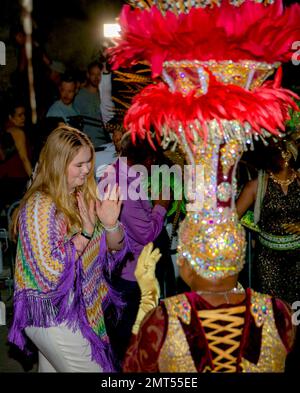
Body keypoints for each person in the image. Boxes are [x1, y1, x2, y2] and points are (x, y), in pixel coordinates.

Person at [108, 0, 300, 372]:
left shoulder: (167, 319)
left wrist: (149, 295)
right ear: (236, 260)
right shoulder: (273, 314)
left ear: (188, 269)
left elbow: (134, 368)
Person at [8, 126, 129, 372]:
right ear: (58, 164)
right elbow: (50, 271)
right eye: (80, 164)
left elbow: (116, 248)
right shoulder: (40, 205)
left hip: (75, 311)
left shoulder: (82, 195)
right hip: (51, 313)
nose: (87, 170)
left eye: (89, 162)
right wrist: (84, 233)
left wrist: (110, 224)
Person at [101, 133, 169, 370]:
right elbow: (146, 233)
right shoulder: (123, 186)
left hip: (128, 270)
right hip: (131, 275)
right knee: (132, 343)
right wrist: (161, 206)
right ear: (146, 159)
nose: (153, 164)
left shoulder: (122, 170)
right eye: (152, 159)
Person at [236, 140, 300, 306]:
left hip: (298, 258)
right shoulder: (256, 186)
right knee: (274, 310)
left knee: (296, 311)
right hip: (268, 260)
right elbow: (231, 219)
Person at [0, 102, 32, 207]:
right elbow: (24, 159)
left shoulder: (5, 129)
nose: (23, 118)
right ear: (11, 117)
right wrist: (34, 179)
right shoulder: (17, 132)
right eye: (19, 115)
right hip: (15, 181)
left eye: (24, 114)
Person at [74, 61, 110, 148]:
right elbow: (75, 123)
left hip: (107, 145)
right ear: (88, 74)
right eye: (93, 74)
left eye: (99, 74)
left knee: (121, 160)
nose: (96, 78)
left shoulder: (105, 95)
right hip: (88, 145)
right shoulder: (80, 95)